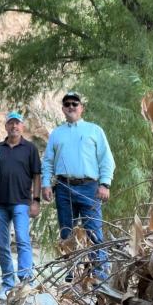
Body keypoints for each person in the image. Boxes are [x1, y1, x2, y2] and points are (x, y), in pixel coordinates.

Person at [41, 92, 115, 280]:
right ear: (63, 109)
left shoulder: (94, 130)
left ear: (82, 108)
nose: (71, 106)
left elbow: (106, 159)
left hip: (90, 187)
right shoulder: (57, 133)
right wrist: (45, 184)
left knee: (94, 231)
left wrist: (105, 184)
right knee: (67, 232)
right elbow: (48, 161)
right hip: (64, 188)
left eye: (75, 103)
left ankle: (99, 276)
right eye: (67, 104)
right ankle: (71, 274)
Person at [0, 112, 41, 299]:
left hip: (22, 202)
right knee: (2, 243)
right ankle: (7, 283)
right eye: (11, 123)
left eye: (17, 123)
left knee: (22, 239)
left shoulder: (30, 148)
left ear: (23, 127)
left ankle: (26, 281)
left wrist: (36, 201)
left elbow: (37, 176)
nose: (14, 126)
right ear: (6, 127)